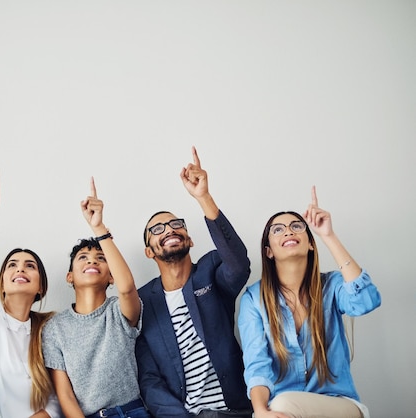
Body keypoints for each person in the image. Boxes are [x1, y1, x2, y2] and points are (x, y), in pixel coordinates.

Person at [237, 186, 381, 418]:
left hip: (338, 403)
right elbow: (257, 365)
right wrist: (260, 411)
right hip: (282, 409)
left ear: (310, 243)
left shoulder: (332, 285)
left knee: (283, 405)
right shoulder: (254, 299)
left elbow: (365, 301)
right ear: (269, 251)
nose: (288, 232)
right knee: (273, 411)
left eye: (296, 226)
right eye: (278, 229)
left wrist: (328, 236)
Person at [136, 146, 253, 418]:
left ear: (189, 239)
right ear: (149, 251)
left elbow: (239, 265)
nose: (169, 229)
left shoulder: (211, 270)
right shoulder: (143, 301)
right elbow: (149, 380)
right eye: (157, 229)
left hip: (234, 409)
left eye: (177, 224)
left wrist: (204, 198)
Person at [42, 178, 149, 418]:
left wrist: (99, 229)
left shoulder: (118, 310)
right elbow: (65, 394)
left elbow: (128, 287)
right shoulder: (55, 329)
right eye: (83, 258)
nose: (92, 260)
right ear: (70, 277)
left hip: (133, 412)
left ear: (111, 276)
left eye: (100, 258)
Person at [0, 160, 61, 418]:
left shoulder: (49, 329)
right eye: (12, 265)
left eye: (29, 266)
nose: (20, 269)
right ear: (2, 283)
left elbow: (56, 398)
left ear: (41, 285)